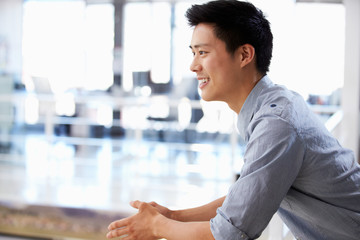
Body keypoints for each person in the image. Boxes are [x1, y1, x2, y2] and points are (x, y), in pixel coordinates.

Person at [106, 0, 360, 239]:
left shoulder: (276, 123)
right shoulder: (273, 104)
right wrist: (173, 217)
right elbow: (249, 195)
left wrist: (157, 225)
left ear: (244, 55)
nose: (193, 66)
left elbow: (229, 233)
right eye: (193, 53)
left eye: (203, 52)